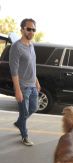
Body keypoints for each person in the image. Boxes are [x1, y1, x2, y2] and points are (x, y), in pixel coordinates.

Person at [9, 18, 41, 146]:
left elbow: (32, 66)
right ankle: (24, 135)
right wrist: (17, 90)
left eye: (33, 29)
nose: (31, 32)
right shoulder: (16, 47)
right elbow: (14, 71)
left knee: (34, 108)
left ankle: (19, 123)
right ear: (22, 30)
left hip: (32, 85)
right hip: (23, 87)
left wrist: (37, 82)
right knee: (25, 112)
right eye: (28, 29)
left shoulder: (31, 45)